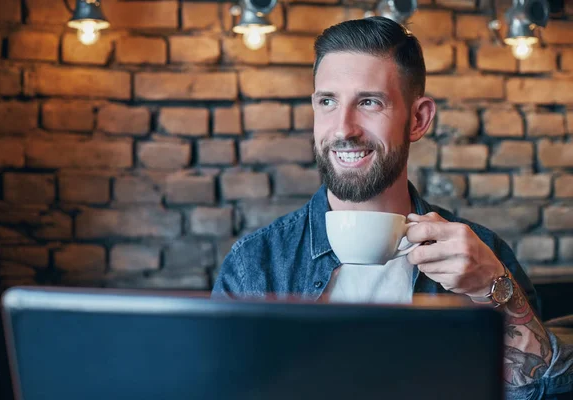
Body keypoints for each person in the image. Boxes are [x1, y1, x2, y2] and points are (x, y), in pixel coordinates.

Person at [212, 17, 573, 399]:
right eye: (328, 102)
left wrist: (493, 288)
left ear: (418, 119)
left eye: (369, 102)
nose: (343, 128)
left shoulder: (482, 254)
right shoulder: (256, 262)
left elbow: (541, 393)